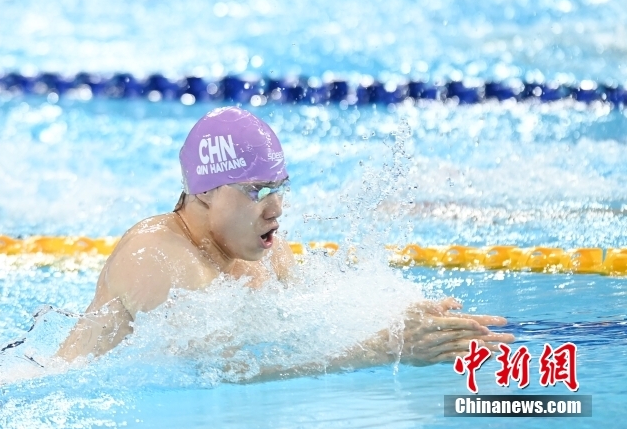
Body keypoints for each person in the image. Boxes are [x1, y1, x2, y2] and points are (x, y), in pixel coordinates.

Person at [57, 107, 513, 376]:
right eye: (256, 190)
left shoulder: (258, 246)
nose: (275, 208)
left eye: (279, 187)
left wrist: (407, 323)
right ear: (204, 191)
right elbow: (221, 368)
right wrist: (381, 349)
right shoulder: (157, 254)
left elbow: (314, 313)